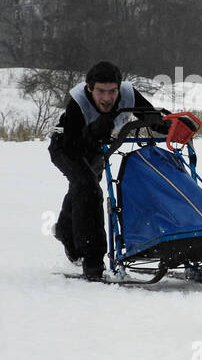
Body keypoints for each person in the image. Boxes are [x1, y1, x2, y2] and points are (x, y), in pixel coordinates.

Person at [48, 61, 162, 279]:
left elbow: (152, 118)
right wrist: (93, 131)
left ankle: (64, 229)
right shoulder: (77, 102)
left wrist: (172, 124)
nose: (107, 98)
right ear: (89, 88)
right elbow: (74, 145)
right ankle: (92, 262)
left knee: (82, 190)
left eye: (112, 91)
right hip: (66, 147)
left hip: (96, 148)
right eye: (101, 91)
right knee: (88, 189)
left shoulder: (128, 94)